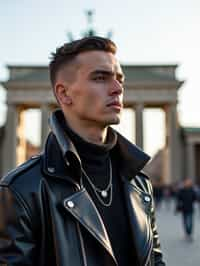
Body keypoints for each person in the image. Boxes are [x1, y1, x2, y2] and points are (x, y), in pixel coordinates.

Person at [0, 36, 165, 265]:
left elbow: (155, 260)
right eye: (100, 77)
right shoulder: (21, 190)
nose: (118, 89)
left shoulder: (139, 184)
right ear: (64, 94)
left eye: (120, 79)